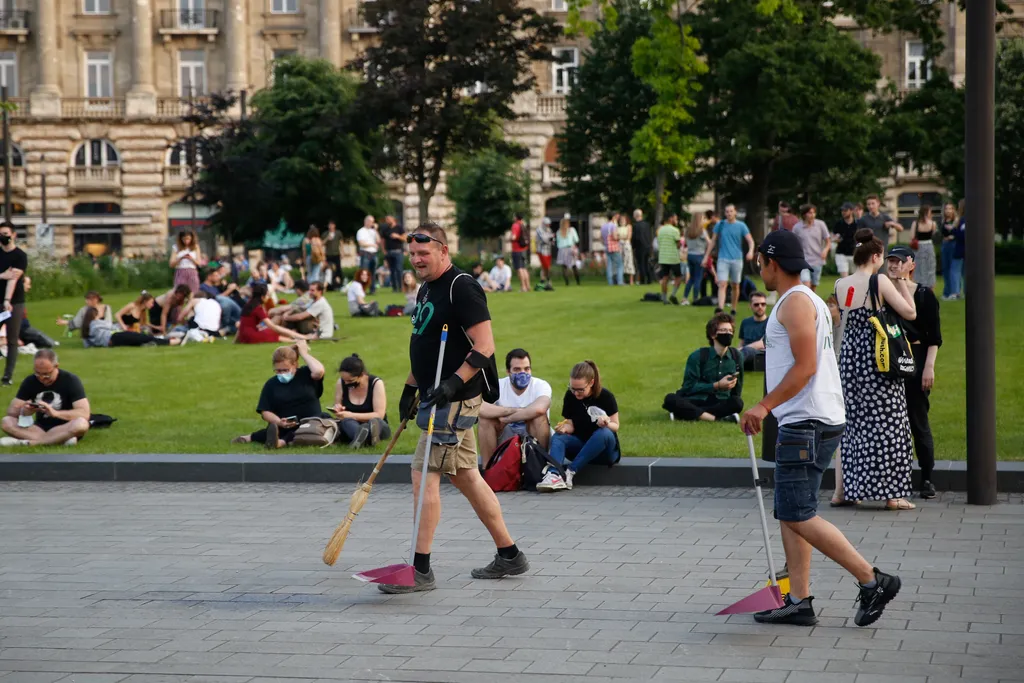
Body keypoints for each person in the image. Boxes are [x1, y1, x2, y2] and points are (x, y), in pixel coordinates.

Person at [741, 228, 902, 628]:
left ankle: (872, 580)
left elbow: (805, 366)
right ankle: (798, 599)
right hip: (815, 418)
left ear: (771, 263)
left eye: (760, 261)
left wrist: (763, 405)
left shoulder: (794, 303)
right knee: (791, 510)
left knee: (797, 513)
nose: (759, 267)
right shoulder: (807, 298)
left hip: (806, 421)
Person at [387, 222, 527, 593]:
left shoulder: (461, 286)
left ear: (443, 251)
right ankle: (510, 554)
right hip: (435, 393)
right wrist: (409, 386)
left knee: (423, 476)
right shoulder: (427, 287)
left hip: (455, 400)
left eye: (424, 253)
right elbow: (426, 343)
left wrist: (452, 383)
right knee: (465, 475)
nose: (417, 259)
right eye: (413, 254)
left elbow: (484, 345)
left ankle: (420, 570)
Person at [834, 229, 917, 510]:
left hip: (849, 360)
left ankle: (845, 490)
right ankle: (892, 494)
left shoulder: (840, 283)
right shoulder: (879, 280)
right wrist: (902, 281)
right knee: (889, 422)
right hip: (877, 359)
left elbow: (842, 320)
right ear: (876, 256)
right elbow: (910, 313)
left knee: (852, 425)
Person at [886, 246, 941, 499]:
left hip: (916, 359)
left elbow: (934, 337)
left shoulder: (923, 295)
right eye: (890, 261)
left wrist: (929, 366)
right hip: (889, 360)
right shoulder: (883, 292)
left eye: (899, 261)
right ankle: (892, 478)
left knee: (918, 420)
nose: (893, 265)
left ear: (911, 264)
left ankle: (927, 477)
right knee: (889, 422)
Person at [231, 341, 326, 448]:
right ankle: (255, 438)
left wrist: (304, 353)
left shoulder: (306, 374)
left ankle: (277, 442)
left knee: (309, 430)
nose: (281, 374)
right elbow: (265, 411)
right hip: (286, 425)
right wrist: (279, 422)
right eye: (278, 371)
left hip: (312, 423)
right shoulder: (271, 384)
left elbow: (319, 371)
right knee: (283, 431)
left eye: (285, 370)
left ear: (295, 364)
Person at [547, 360, 620, 491]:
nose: (576, 393)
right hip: (580, 446)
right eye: (572, 388)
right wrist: (565, 428)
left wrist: (607, 422)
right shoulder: (570, 396)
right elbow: (571, 424)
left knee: (603, 432)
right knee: (558, 437)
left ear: (591, 383)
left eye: (580, 390)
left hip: (604, 450)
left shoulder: (605, 396)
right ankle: (554, 474)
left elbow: (616, 426)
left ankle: (570, 472)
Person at [663, 313, 743, 422]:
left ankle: (687, 414)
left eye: (730, 331)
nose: (728, 333)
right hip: (696, 399)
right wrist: (716, 385)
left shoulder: (736, 356)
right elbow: (688, 387)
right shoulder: (698, 356)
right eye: (724, 330)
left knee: (737, 402)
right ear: (713, 335)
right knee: (670, 399)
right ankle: (716, 419)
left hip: (720, 400)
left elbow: (737, 390)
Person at [0, 349, 90, 447]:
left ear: (56, 366)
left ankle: (29, 443)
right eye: (38, 373)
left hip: (65, 427)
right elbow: (11, 412)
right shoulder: (30, 381)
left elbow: (84, 413)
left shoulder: (70, 380)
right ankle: (60, 440)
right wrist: (24, 412)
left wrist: (55, 413)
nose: (42, 378)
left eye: (47, 374)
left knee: (81, 424)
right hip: (39, 429)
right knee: (6, 421)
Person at [478, 348, 553, 463]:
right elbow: (480, 408)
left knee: (539, 418)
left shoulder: (541, 385)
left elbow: (539, 409)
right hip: (506, 434)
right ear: (508, 371)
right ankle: (489, 470)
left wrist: (507, 418)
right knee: (485, 420)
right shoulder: (498, 385)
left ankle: (540, 467)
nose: (523, 373)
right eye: (517, 369)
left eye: (526, 369)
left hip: (533, 434)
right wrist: (518, 411)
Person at [332, 353, 390, 447]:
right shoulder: (341, 383)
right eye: (344, 380)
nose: (346, 383)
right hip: (352, 424)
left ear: (362, 374)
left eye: (350, 381)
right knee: (346, 421)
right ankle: (364, 437)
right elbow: (338, 405)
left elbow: (379, 414)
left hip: (375, 422)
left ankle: (366, 436)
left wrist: (351, 415)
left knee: (375, 421)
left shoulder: (376, 383)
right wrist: (338, 409)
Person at [707, 204, 755, 316]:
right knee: (722, 283)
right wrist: (706, 256)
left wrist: (751, 251)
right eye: (727, 211)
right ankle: (720, 308)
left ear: (735, 213)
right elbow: (713, 241)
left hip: (737, 259)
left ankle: (733, 307)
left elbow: (750, 241)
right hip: (723, 258)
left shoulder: (741, 226)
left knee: (735, 285)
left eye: (731, 211)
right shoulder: (720, 224)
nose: (729, 213)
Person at [236, 283, 311, 344]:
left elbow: (241, 325)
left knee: (272, 331)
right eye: (267, 295)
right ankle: (297, 340)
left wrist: (236, 341)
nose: (268, 297)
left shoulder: (249, 304)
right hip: (251, 336)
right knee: (273, 333)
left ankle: (297, 338)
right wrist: (302, 336)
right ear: (262, 297)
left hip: (244, 336)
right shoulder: (258, 308)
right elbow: (273, 327)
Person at [0, 222, 27, 386]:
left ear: (13, 235)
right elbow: (7, 276)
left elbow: (14, 278)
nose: (2, 237)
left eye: (5, 233)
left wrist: (7, 301)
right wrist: (2, 275)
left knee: (12, 339)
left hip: (14, 301)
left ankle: (7, 376)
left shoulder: (20, 256)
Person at [82, 307, 178, 348]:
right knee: (140, 337)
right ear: (94, 315)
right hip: (114, 337)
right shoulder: (95, 323)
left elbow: (87, 345)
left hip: (111, 342)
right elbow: (110, 326)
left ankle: (155, 342)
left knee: (136, 341)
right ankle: (170, 342)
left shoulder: (86, 329)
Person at [792, 204, 831, 292]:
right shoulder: (797, 227)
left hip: (817, 259)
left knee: (813, 285)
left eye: (814, 213)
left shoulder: (820, 224)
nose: (812, 215)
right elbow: (793, 243)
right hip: (803, 260)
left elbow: (828, 241)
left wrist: (825, 250)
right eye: (810, 213)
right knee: (806, 284)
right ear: (804, 214)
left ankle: (812, 302)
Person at [17, 277, 57, 350]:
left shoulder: (20, 297)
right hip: (21, 328)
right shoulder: (13, 299)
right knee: (47, 342)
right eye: (28, 284)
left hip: (25, 327)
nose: (29, 287)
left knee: (46, 339)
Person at [199, 268, 241, 332]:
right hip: (215, 310)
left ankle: (230, 326)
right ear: (209, 277)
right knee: (225, 303)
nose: (218, 277)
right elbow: (216, 298)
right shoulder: (203, 287)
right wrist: (229, 290)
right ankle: (224, 327)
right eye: (216, 276)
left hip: (222, 309)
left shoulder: (214, 287)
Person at [657, 214, 684, 305]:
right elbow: (678, 244)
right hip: (673, 257)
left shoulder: (660, 230)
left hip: (663, 257)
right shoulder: (675, 230)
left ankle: (664, 298)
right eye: (676, 219)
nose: (676, 220)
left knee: (665, 278)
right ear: (671, 219)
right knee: (679, 277)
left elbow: (659, 242)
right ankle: (673, 294)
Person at [738, 291, 769, 370]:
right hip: (745, 354)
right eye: (756, 304)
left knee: (746, 351)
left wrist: (742, 349)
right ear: (750, 306)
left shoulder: (771, 323)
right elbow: (741, 342)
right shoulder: (745, 322)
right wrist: (737, 351)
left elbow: (763, 343)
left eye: (763, 304)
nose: (760, 307)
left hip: (761, 354)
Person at [683, 215, 709, 303]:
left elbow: (685, 243)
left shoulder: (688, 231)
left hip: (690, 255)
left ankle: (685, 297)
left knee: (691, 278)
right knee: (698, 278)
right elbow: (709, 242)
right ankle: (695, 298)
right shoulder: (702, 231)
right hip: (699, 255)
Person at [831, 202, 859, 277]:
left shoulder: (858, 224)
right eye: (842, 210)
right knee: (845, 278)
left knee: (855, 277)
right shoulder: (839, 223)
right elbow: (833, 237)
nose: (843, 212)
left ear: (851, 211)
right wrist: (835, 239)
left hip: (854, 253)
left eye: (845, 210)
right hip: (841, 253)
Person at [939, 202, 960, 300]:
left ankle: (954, 292)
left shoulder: (956, 221)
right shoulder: (943, 221)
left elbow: (958, 233)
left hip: (953, 245)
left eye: (950, 208)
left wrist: (952, 236)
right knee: (945, 268)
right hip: (945, 245)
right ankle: (946, 292)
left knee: (953, 269)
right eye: (946, 208)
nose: (948, 210)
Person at [380, 215, 406, 292]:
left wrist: (397, 236)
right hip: (389, 252)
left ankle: (401, 287)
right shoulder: (385, 229)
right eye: (386, 219)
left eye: (388, 219)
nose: (387, 221)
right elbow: (382, 240)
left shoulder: (399, 228)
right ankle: (394, 288)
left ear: (393, 219)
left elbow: (405, 238)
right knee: (391, 270)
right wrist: (383, 250)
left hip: (398, 252)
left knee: (399, 269)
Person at [356, 215, 380, 294]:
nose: (372, 223)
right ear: (366, 221)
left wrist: (376, 230)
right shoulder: (361, 231)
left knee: (372, 273)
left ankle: (372, 289)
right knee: (364, 273)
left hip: (373, 253)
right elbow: (361, 243)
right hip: (365, 253)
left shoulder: (373, 231)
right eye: (370, 221)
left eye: (373, 222)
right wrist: (372, 245)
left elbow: (378, 240)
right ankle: (362, 289)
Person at [630, 209, 654, 285]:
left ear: (635, 216)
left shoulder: (636, 226)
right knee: (647, 263)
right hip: (647, 246)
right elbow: (650, 235)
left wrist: (633, 246)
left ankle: (643, 280)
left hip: (639, 247)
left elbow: (635, 237)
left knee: (641, 264)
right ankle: (649, 279)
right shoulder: (647, 224)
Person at [508, 212, 531, 292]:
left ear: (516, 217)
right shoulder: (523, 224)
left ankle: (523, 287)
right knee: (524, 268)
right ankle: (528, 286)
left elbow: (514, 237)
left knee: (519, 268)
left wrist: (509, 239)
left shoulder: (515, 225)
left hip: (517, 249)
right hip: (524, 248)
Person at [555, 216, 581, 286]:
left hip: (561, 250)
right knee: (574, 266)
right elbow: (576, 240)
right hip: (570, 249)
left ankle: (567, 282)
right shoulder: (572, 230)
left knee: (564, 267)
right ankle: (578, 282)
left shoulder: (558, 232)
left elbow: (557, 242)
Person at [601, 213, 623, 286]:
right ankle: (620, 281)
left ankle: (610, 282)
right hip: (614, 247)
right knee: (619, 265)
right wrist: (619, 237)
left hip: (607, 247)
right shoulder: (613, 226)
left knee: (609, 266)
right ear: (613, 217)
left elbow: (600, 238)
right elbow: (614, 236)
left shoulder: (603, 226)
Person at [950, 199, 966, 300]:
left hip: (960, 249)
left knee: (955, 271)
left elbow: (962, 235)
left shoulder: (962, 220)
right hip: (966, 250)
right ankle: (965, 291)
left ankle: (956, 292)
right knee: (965, 272)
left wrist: (953, 229)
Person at [535, 217, 556, 290]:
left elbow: (553, 240)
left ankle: (542, 282)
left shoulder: (549, 230)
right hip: (541, 251)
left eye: (549, 224)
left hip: (548, 251)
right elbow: (544, 239)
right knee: (546, 267)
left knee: (546, 267)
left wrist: (551, 238)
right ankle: (548, 281)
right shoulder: (539, 230)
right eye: (547, 224)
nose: (548, 226)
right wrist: (550, 238)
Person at [322, 221, 343, 290]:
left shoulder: (338, 233)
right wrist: (327, 238)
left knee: (338, 269)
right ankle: (330, 285)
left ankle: (339, 284)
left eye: (332, 225)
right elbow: (322, 243)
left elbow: (341, 243)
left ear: (334, 225)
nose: (330, 226)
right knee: (329, 269)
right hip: (328, 254)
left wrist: (342, 252)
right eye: (329, 225)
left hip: (336, 254)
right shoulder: (325, 234)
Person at [617, 214, 635, 286]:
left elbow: (628, 237)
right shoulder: (618, 228)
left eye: (623, 220)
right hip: (620, 246)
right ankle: (622, 280)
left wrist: (621, 237)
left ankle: (631, 280)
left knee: (629, 262)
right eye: (621, 220)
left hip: (626, 245)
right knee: (621, 263)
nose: (622, 221)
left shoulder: (628, 227)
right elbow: (616, 236)